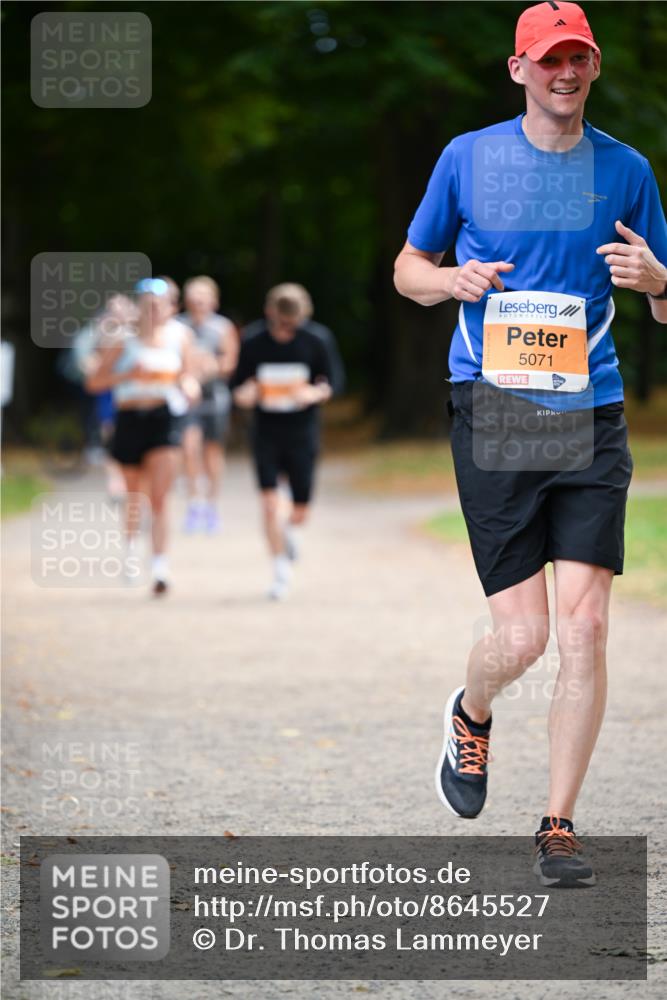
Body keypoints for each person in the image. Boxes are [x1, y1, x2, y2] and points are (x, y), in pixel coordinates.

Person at [394, 1, 667, 887]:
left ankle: (557, 823)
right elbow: (406, 269)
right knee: (524, 641)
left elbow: (664, 297)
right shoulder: (467, 157)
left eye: (578, 58)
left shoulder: (625, 170)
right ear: (517, 68)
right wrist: (449, 280)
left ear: (593, 68)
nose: (564, 72)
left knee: (585, 628)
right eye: (548, 59)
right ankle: (472, 712)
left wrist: (659, 281)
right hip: (497, 410)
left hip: (591, 409)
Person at [86, 278, 201, 595]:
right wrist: (127, 375)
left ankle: (161, 567)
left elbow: (189, 376)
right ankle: (131, 550)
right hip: (129, 417)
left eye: (158, 306)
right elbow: (95, 383)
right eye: (146, 306)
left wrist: (190, 387)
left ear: (169, 308)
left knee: (161, 498)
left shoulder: (181, 337)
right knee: (135, 495)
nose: (152, 312)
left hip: (164, 418)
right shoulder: (122, 340)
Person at [232, 283, 334, 600]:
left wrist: (314, 393)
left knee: (300, 508)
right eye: (282, 322)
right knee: (269, 502)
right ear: (270, 314)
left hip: (302, 432)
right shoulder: (252, 341)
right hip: (266, 431)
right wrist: (246, 394)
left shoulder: (316, 340)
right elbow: (237, 385)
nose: (288, 328)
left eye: (294, 322)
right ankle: (279, 571)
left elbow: (331, 382)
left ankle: (290, 530)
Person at [178, 276, 239, 534]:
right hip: (187, 398)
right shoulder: (178, 326)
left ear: (213, 300)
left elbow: (230, 362)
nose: (198, 301)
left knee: (212, 452)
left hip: (214, 397)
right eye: (194, 295)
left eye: (203, 296)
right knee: (189, 448)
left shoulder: (222, 327)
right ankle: (195, 502)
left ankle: (212, 505)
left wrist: (213, 367)